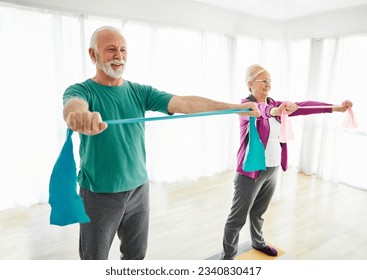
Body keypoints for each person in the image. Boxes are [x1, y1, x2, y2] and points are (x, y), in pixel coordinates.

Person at [62, 26, 260, 260]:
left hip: (138, 188)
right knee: (94, 259)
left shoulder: (139, 91)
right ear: (93, 55)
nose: (119, 55)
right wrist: (79, 117)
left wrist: (235, 108)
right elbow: (73, 106)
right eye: (111, 50)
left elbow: (185, 103)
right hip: (99, 193)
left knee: (136, 256)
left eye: (123, 50)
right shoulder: (82, 90)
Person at [220, 64, 353, 260]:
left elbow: (305, 106)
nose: (268, 84)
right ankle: (227, 258)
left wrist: (337, 108)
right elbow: (263, 111)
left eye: (270, 81)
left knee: (259, 212)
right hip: (250, 171)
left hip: (272, 168)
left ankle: (258, 242)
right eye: (263, 81)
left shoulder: (276, 103)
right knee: (236, 218)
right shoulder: (245, 106)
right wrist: (276, 111)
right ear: (250, 84)